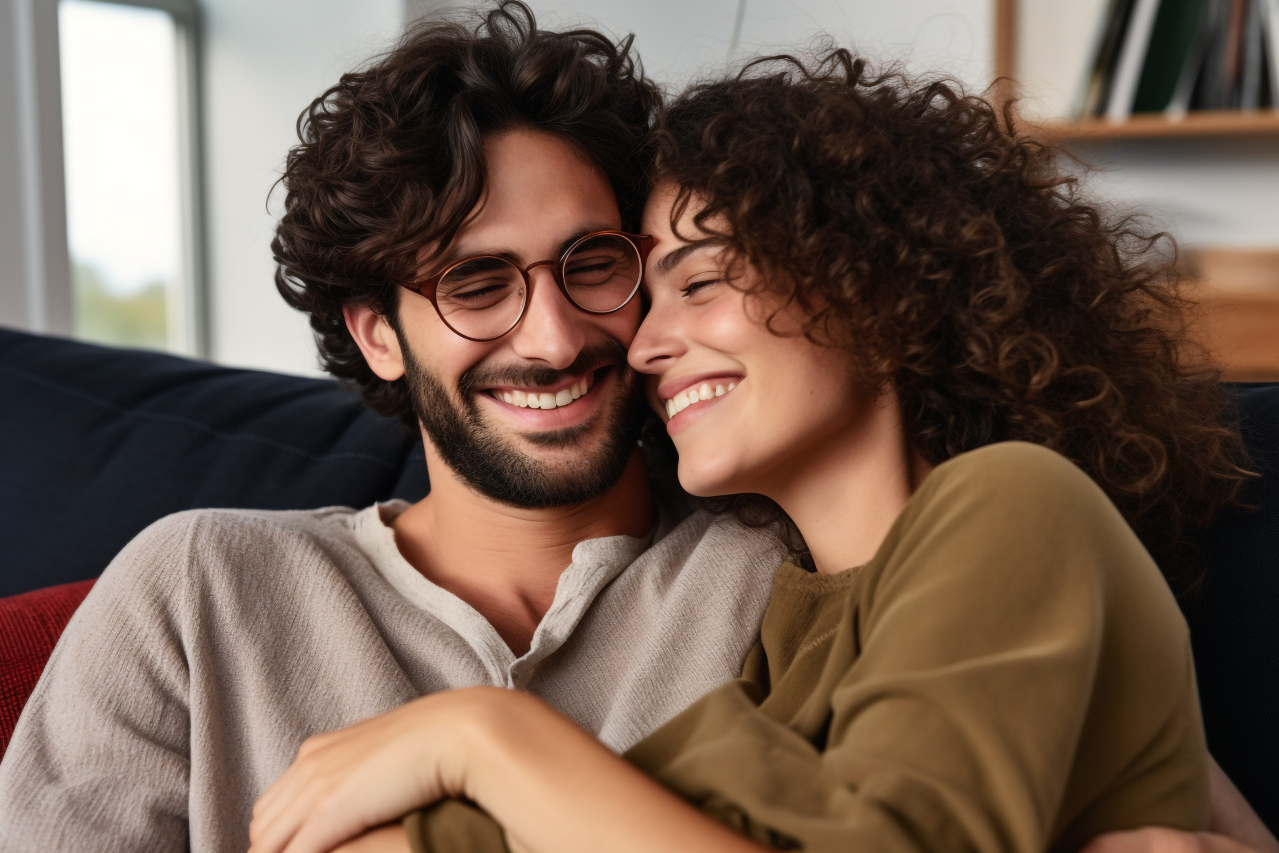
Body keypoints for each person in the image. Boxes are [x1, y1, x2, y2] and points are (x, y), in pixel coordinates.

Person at [244, 46, 1279, 853]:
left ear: (870, 283)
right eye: (647, 296)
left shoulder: (1011, 502)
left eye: (697, 281)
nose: (638, 343)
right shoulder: (785, 635)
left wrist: (476, 734)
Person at [0, 5, 787, 850]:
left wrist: (481, 739)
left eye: (591, 264)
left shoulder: (777, 570)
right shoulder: (197, 590)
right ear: (379, 333)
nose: (555, 339)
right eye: (477, 284)